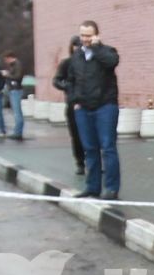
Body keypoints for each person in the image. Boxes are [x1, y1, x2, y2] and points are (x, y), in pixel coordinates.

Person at [63, 20, 121, 199]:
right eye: (82, 35)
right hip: (83, 108)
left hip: (105, 106)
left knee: (108, 147)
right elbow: (70, 80)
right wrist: (75, 101)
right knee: (89, 149)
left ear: (96, 35)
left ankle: (111, 188)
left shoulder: (107, 51)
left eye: (88, 35)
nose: (85, 39)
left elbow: (112, 63)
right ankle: (92, 187)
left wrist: (96, 48)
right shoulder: (76, 57)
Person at [51, 36, 87, 176]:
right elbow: (56, 80)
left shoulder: (89, 62)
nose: (78, 48)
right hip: (73, 104)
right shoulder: (67, 63)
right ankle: (80, 162)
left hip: (89, 103)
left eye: (80, 45)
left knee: (91, 135)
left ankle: (93, 161)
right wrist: (67, 87)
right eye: (75, 45)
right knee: (76, 135)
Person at [3, 52, 26, 140]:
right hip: (13, 89)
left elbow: (18, 76)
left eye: (6, 59)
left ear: (10, 58)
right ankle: (17, 131)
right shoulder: (14, 65)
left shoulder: (17, 65)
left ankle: (18, 132)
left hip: (16, 89)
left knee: (17, 112)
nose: (6, 62)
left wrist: (7, 74)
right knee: (16, 112)